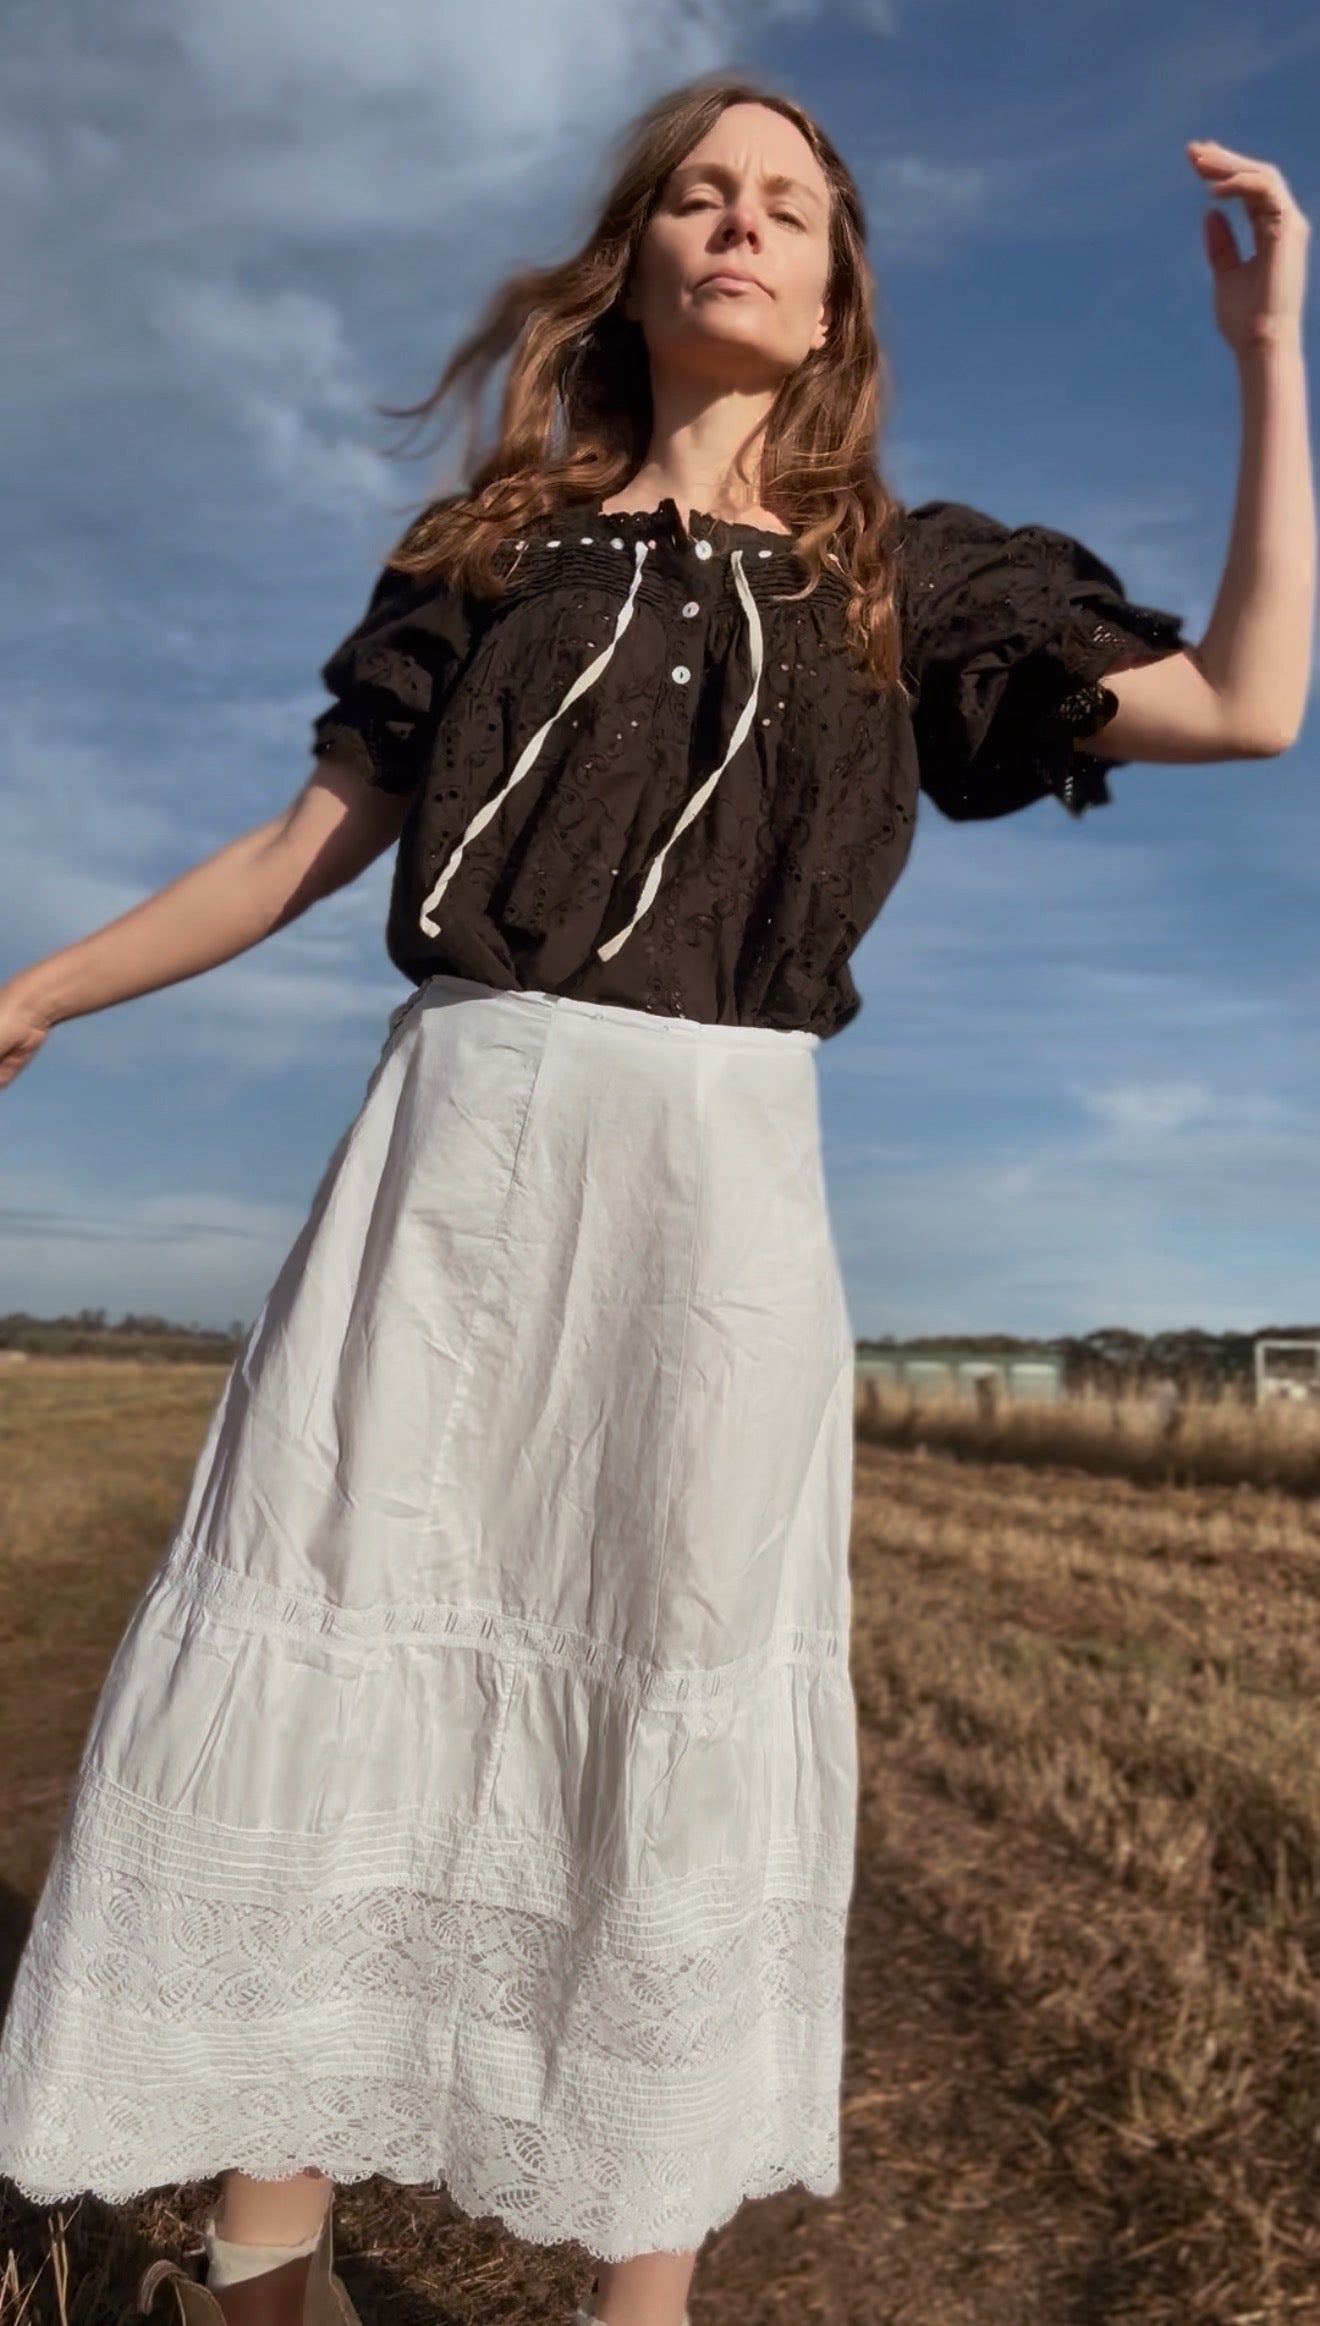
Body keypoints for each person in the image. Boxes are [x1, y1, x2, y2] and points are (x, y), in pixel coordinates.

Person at [0, 68, 1312, 2326]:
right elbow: (289, 854)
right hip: (457, 1153)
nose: (739, 225)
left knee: (671, 1671)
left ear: (831, 295)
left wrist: (1267, 360)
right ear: (639, 260)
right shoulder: (485, 558)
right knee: (346, 1645)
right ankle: (257, 2259)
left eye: (786, 205)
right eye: (699, 194)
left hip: (722, 1192)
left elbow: (1256, 701)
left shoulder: (923, 584)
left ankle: (646, 2299)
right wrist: (33, 990)